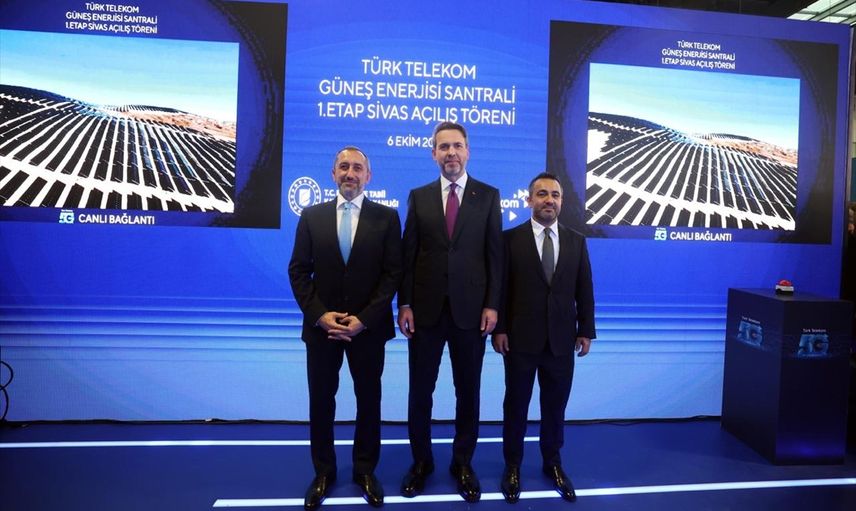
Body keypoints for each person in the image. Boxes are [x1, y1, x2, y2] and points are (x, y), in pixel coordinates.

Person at [288, 147, 402, 510]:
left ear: (369, 176)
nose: (350, 173)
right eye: (343, 167)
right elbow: (298, 271)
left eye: (357, 168)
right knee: (321, 402)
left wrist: (364, 319)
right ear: (333, 173)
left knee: (369, 400)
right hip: (322, 330)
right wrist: (320, 315)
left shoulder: (387, 218)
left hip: (368, 330)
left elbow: (392, 275)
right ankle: (324, 472)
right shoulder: (312, 216)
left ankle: (365, 470)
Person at [397, 122, 502, 502]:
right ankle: (421, 463)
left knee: (468, 392)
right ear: (434, 154)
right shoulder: (419, 196)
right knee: (420, 392)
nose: (451, 153)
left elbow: (495, 257)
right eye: (444, 147)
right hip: (424, 313)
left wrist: (492, 305)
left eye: (457, 145)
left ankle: (463, 463)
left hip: (471, 314)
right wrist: (404, 303)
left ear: (468, 151)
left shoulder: (488, 196)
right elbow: (408, 255)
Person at [491, 172, 595, 503]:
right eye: (542, 194)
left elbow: (584, 289)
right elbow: (500, 289)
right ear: (529, 200)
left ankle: (553, 463)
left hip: (562, 341)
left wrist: (586, 330)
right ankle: (512, 466)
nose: (549, 200)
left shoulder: (576, 240)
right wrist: (499, 328)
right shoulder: (509, 240)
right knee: (516, 406)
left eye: (555, 195)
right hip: (519, 340)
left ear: (561, 201)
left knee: (555, 407)